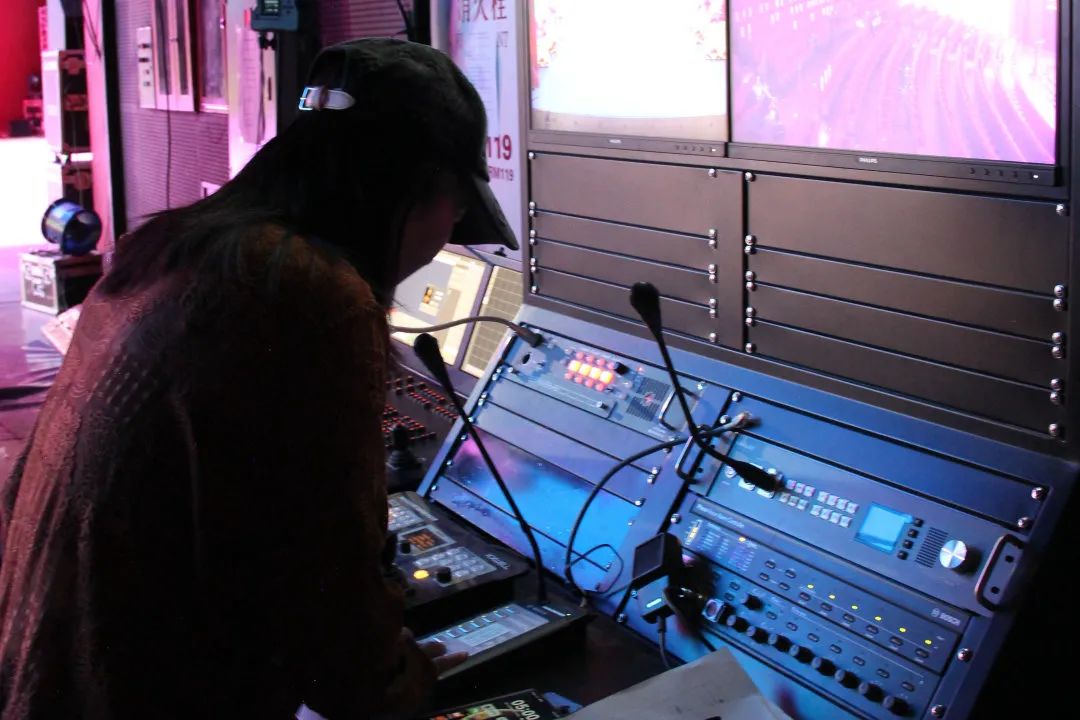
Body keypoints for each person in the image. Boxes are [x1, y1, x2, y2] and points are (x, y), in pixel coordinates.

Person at [0, 38, 518, 720]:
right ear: (411, 187)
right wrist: (405, 684)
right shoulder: (312, 296)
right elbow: (331, 604)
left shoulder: (175, 249)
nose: (449, 234)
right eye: (456, 210)